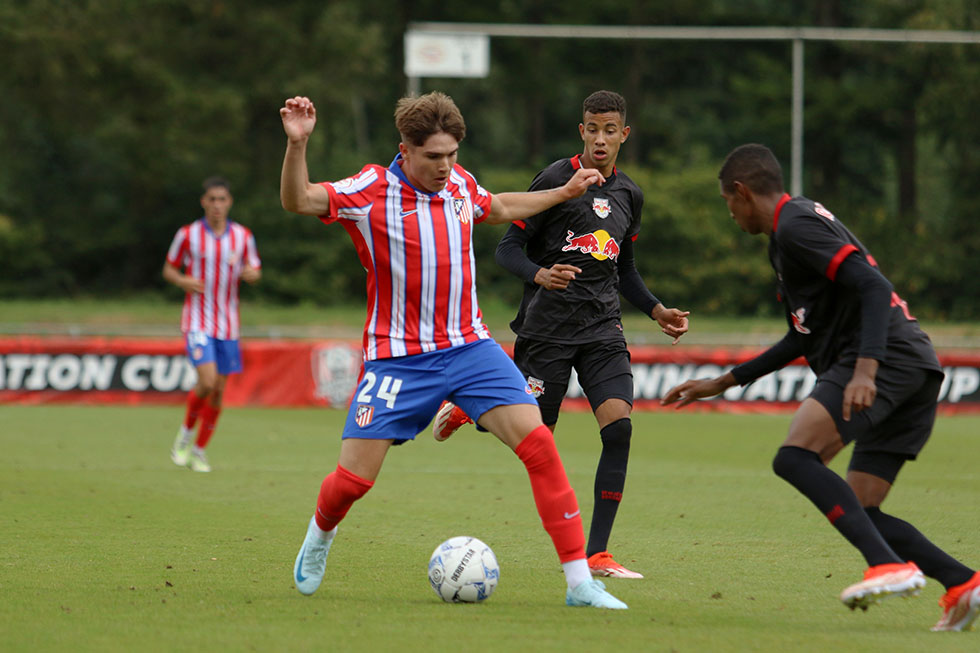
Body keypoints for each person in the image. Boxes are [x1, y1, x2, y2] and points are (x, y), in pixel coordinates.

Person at [279, 91, 629, 609]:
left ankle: (579, 582)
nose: (446, 167)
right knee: (352, 481)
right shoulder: (372, 189)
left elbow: (501, 206)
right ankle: (320, 536)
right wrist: (297, 146)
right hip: (398, 358)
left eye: (452, 155)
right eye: (434, 157)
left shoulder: (460, 183)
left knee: (540, 447)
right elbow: (299, 200)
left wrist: (563, 192)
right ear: (406, 149)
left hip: (470, 349)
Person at [661, 143, 979, 631]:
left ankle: (888, 567)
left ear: (742, 193)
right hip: (915, 363)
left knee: (793, 457)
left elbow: (872, 285)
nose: (730, 214)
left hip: (882, 359)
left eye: (728, 202)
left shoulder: (795, 226)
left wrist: (866, 370)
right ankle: (963, 584)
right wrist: (723, 382)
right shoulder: (791, 232)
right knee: (863, 508)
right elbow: (800, 336)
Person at [433, 90, 689, 580]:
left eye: (610, 130)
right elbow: (507, 249)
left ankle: (598, 554)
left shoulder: (630, 195)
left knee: (619, 428)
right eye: (592, 129)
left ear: (623, 135)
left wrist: (657, 309)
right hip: (547, 330)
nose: (600, 139)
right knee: (535, 436)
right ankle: (475, 406)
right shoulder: (556, 180)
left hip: (602, 330)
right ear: (582, 131)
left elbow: (625, 267)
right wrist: (539, 274)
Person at [164, 177, 262, 473]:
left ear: (229, 202)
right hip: (197, 320)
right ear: (203, 202)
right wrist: (183, 280)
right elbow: (169, 268)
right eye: (212, 199)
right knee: (206, 382)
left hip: (228, 324)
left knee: (218, 391)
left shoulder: (243, 236)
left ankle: (199, 449)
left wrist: (251, 274)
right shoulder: (188, 234)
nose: (217, 205)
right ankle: (183, 435)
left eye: (222, 199)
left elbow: (255, 269)